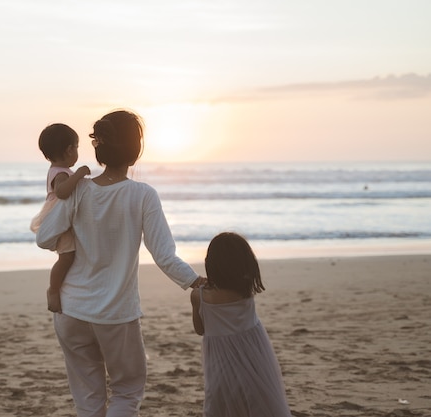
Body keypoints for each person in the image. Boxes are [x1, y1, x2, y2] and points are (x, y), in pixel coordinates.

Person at [36, 110, 206, 417]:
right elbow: (164, 255)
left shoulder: (78, 190)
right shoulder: (142, 195)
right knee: (127, 392)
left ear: (98, 147)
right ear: (135, 150)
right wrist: (196, 281)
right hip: (115, 313)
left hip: (71, 308)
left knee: (88, 400)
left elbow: (45, 238)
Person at [190, 232, 292, 417]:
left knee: (218, 400)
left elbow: (200, 330)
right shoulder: (245, 289)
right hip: (254, 354)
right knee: (257, 398)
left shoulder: (200, 295)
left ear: (210, 263)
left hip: (220, 360)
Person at [30, 123, 90, 313]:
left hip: (63, 219)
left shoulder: (59, 171)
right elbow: (62, 192)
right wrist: (79, 174)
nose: (77, 151)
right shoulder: (60, 173)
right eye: (77, 147)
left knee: (71, 255)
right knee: (66, 257)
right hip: (58, 220)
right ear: (69, 149)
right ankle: (53, 290)